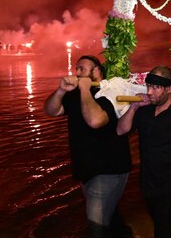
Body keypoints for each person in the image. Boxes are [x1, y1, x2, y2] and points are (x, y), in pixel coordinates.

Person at [44, 55, 132, 238]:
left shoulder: (111, 92)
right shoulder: (74, 94)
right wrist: (61, 91)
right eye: (76, 69)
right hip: (86, 168)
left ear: (97, 71)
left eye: (82, 69)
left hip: (109, 169)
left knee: (96, 226)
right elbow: (51, 111)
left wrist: (84, 89)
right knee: (110, 215)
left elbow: (95, 120)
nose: (77, 73)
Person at [117, 66, 171, 237]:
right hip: (148, 183)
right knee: (168, 229)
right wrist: (133, 108)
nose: (150, 92)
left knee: (164, 232)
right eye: (148, 86)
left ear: (169, 89)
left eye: (156, 87)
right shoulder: (145, 110)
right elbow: (121, 131)